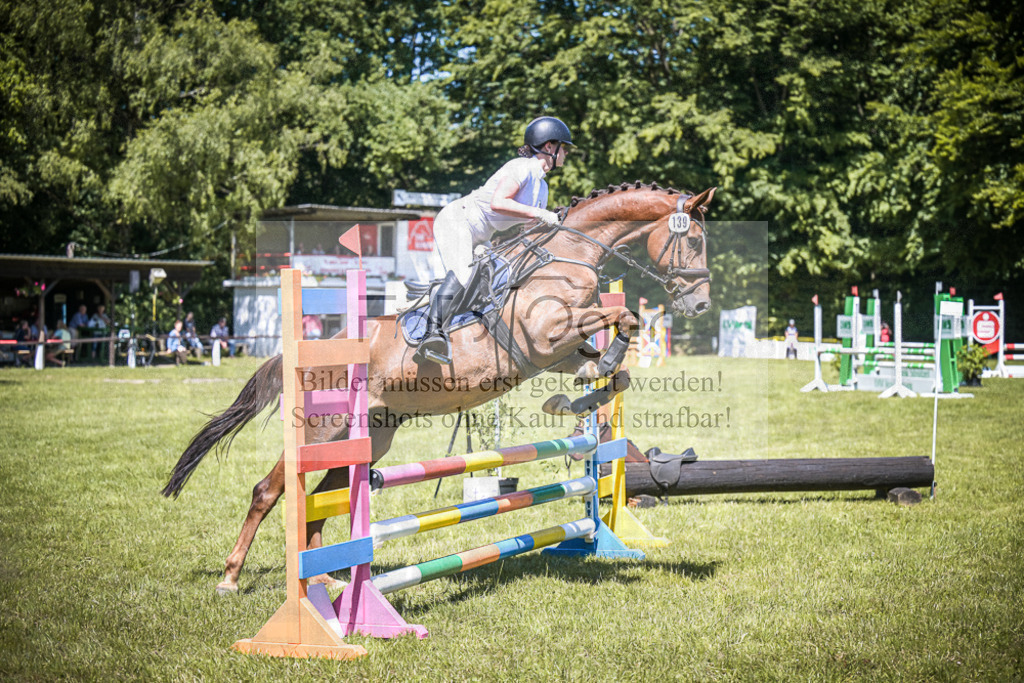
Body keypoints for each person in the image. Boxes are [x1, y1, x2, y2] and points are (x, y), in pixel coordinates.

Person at [416, 115, 573, 364]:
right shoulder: (521, 167)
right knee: (464, 275)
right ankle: (431, 334)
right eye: (564, 147)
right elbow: (498, 202)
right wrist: (540, 213)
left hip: (483, 235)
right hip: (459, 220)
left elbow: (528, 229)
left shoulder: (542, 188)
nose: (566, 153)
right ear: (548, 147)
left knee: (496, 282)